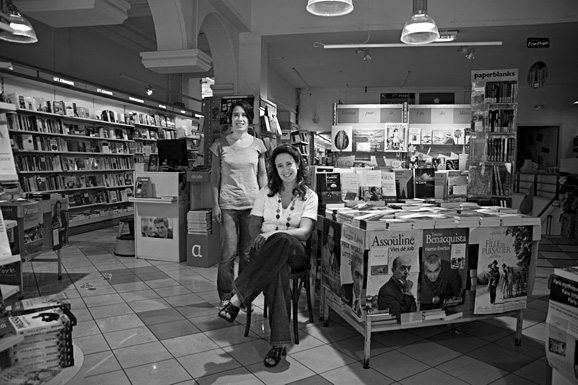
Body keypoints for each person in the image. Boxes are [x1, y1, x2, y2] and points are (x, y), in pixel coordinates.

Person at [217, 144, 318, 368]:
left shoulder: (309, 196)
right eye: (279, 165)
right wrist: (266, 238)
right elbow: (254, 228)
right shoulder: (266, 192)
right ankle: (278, 344)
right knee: (277, 270)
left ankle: (237, 298)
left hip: (295, 251)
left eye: (288, 164)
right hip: (266, 251)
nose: (284, 169)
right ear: (275, 168)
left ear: (298, 165)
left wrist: (275, 232)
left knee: (281, 240)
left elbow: (304, 232)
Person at [210, 100, 268, 310]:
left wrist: (265, 202)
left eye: (243, 115)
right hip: (228, 205)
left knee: (247, 254)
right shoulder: (220, 145)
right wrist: (215, 205)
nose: (239, 119)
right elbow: (214, 177)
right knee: (228, 252)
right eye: (235, 115)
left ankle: (243, 296)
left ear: (249, 119)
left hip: (252, 206)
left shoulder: (258, 144)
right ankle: (225, 295)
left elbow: (262, 175)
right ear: (230, 119)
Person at [321, 222, 340, 293]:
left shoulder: (335, 254)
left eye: (333, 239)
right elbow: (334, 286)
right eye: (329, 238)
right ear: (326, 237)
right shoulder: (325, 252)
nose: (332, 242)